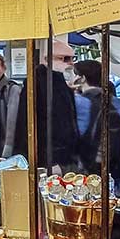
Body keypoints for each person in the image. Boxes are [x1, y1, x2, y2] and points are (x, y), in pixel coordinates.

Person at [73, 60, 120, 185]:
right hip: (113, 164)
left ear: (82, 78)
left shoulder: (78, 102)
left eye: (76, 74)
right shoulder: (114, 101)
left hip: (85, 166)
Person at [35, 41, 80, 173]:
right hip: (51, 157)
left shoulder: (58, 81)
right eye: (65, 59)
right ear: (47, 59)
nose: (71, 63)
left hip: (64, 155)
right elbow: (34, 123)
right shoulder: (39, 82)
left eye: (72, 58)